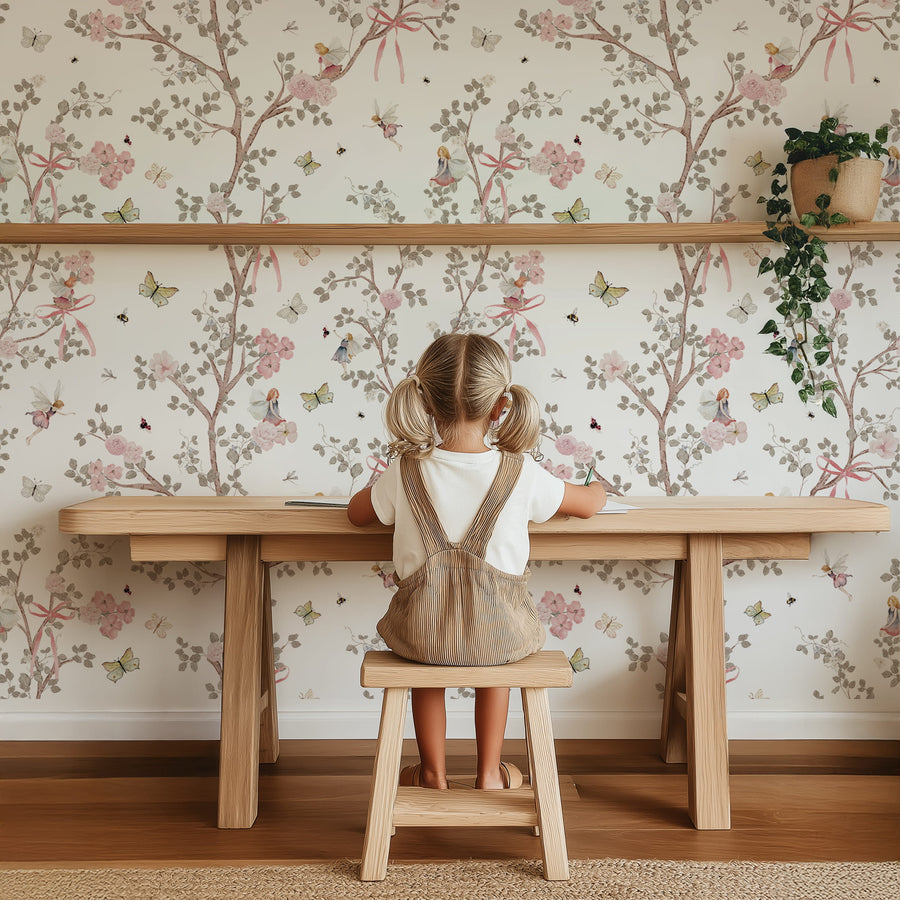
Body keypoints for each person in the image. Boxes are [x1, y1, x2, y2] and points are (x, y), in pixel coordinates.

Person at [348, 333, 606, 791]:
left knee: (427, 657)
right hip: (502, 636)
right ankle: (489, 773)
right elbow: (585, 505)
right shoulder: (521, 471)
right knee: (496, 648)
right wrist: (600, 489)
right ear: (500, 407)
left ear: (425, 404)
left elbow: (357, 514)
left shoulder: (406, 470)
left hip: (420, 636)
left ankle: (431, 773)